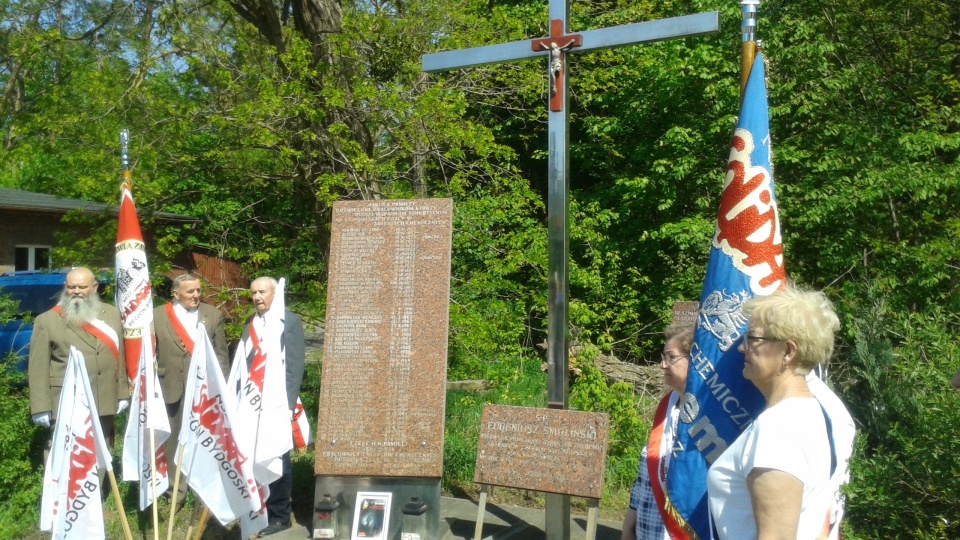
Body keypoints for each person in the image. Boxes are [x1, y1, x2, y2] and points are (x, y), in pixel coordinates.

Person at [707, 283, 844, 539]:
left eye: (753, 338)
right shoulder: (812, 412)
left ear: (788, 351)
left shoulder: (779, 428)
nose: (741, 347)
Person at [28, 267, 129, 447]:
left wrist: (122, 393)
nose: (76, 291)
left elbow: (119, 359)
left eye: (82, 287)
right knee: (64, 456)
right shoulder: (47, 320)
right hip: (67, 401)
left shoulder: (112, 314)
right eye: (71, 287)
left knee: (102, 453)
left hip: (104, 398)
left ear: (95, 287)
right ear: (65, 287)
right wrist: (41, 407)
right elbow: (37, 369)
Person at [153, 273, 229, 507]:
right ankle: (176, 493)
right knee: (174, 441)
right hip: (171, 387)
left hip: (205, 389)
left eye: (198, 290)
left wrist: (222, 390)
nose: (196, 295)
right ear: (176, 294)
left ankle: (205, 494)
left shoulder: (212, 315)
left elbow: (221, 355)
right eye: (190, 291)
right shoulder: (156, 315)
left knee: (206, 440)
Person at [241, 276, 304, 537]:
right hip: (251, 404)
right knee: (253, 456)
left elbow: (294, 366)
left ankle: (280, 516)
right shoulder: (250, 323)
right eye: (254, 293)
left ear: (274, 294)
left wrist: (287, 407)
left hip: (277, 405)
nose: (257, 297)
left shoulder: (289, 321)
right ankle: (257, 511)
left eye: (262, 292)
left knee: (277, 457)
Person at [621, 323, 694, 540]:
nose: (663, 365)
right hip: (647, 529)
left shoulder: (709, 419)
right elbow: (645, 476)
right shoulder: (667, 406)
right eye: (664, 357)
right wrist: (628, 525)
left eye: (671, 357)